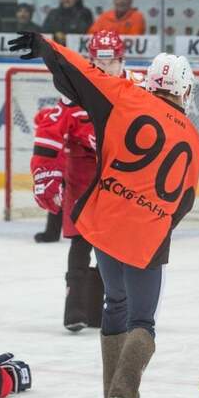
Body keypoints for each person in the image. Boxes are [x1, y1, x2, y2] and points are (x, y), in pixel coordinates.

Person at [9, 32, 199, 398]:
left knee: (114, 304)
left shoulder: (124, 98)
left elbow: (80, 73)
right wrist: (154, 224)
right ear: (183, 91)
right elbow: (183, 202)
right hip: (145, 234)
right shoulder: (191, 137)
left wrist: (46, 46)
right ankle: (123, 392)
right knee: (143, 321)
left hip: (104, 224)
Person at [31, 30, 144, 332]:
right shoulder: (76, 86)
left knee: (123, 245)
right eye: (97, 61)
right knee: (81, 241)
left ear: (122, 59)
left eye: (111, 62)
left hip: (123, 179)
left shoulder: (139, 86)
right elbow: (54, 127)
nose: (104, 68)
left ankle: (119, 307)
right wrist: (46, 171)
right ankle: (76, 308)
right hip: (83, 176)